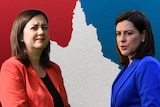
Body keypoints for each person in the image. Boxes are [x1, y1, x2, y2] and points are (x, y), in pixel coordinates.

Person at [0, 9, 70, 107]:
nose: (41, 31)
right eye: (34, 28)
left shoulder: (54, 69)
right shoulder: (12, 68)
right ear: (21, 36)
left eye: (44, 27)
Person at [111, 10, 160, 106]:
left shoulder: (148, 64)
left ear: (143, 35)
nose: (122, 39)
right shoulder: (128, 67)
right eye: (118, 34)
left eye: (128, 33)